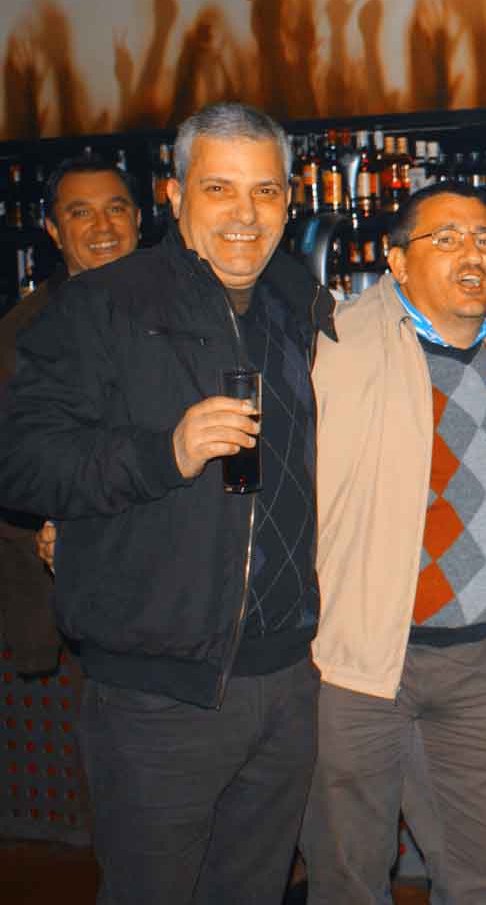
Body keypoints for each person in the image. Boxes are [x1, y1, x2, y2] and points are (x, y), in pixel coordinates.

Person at [0, 100, 333, 905]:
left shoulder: (300, 307)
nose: (245, 214)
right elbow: (21, 463)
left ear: (289, 200)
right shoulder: (101, 305)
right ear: (176, 195)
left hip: (286, 679)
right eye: (220, 188)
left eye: (265, 191)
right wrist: (164, 454)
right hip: (159, 694)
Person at [300, 181, 486, 903]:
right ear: (398, 261)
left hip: (478, 660)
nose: (472, 254)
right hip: (361, 662)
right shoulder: (334, 345)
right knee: (350, 877)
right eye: (447, 238)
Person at [0, 154, 141, 676]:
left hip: (177, 603)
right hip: (65, 618)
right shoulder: (20, 335)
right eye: (81, 213)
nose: (104, 227)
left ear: (139, 219)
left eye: (115, 209)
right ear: (54, 230)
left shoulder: (186, 313)